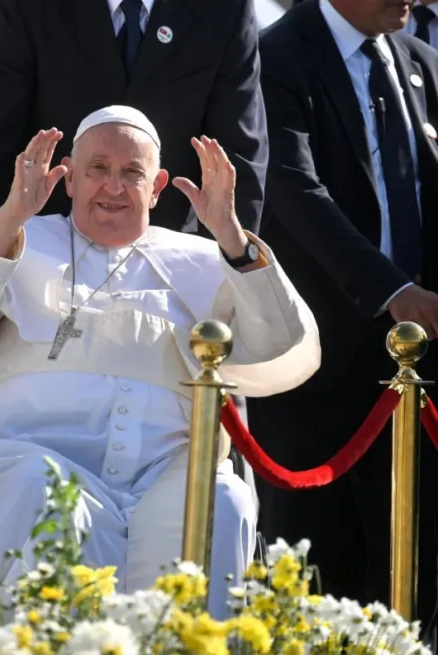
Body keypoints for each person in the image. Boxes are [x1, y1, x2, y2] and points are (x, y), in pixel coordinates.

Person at [0, 106, 320, 615]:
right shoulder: (17, 237)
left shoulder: (203, 258)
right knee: (41, 493)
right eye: (97, 169)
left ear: (156, 187)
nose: (113, 186)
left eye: (131, 173)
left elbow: (278, 345)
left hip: (166, 470)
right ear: (68, 176)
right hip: (29, 455)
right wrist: (8, 220)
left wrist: (231, 235)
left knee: (221, 504)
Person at [248, 0, 438, 635]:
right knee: (317, 576)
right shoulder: (276, 56)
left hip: (421, 369)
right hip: (318, 365)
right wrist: (392, 291)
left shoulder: (420, 63)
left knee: (414, 575)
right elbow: (294, 192)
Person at [0, 0, 269, 242]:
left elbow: (238, 163)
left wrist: (221, 290)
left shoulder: (224, 8)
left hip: (170, 276)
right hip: (40, 268)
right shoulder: (29, 6)